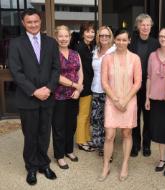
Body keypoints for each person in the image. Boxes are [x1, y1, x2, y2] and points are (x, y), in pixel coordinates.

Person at [8, 8, 59, 185]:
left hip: (47, 97)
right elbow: (16, 71)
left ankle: (44, 164)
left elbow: (56, 68)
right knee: (30, 134)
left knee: (45, 133)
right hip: (28, 98)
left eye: (36, 21)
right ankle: (31, 167)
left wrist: (49, 89)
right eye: (29, 22)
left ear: (41, 21)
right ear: (23, 23)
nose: (33, 25)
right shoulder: (16, 44)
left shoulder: (51, 42)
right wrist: (34, 91)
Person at [98, 29, 142, 182]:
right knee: (109, 135)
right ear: (114, 40)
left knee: (126, 134)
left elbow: (138, 83)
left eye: (124, 40)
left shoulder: (135, 59)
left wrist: (125, 100)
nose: (121, 43)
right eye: (118, 39)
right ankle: (105, 166)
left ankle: (124, 164)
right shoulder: (107, 59)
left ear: (129, 40)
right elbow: (104, 82)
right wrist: (116, 100)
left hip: (129, 101)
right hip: (112, 100)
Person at [145, 27, 165, 176]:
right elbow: (149, 77)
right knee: (159, 131)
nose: (163, 39)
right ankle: (162, 159)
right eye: (161, 36)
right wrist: (147, 97)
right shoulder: (152, 55)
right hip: (156, 99)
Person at [52, 25, 83, 169]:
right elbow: (56, 76)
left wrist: (78, 89)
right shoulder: (52, 55)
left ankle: (69, 150)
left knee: (71, 125)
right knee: (59, 126)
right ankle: (59, 155)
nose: (64, 39)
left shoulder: (75, 54)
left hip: (74, 96)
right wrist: (75, 85)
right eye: (61, 36)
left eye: (66, 36)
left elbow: (80, 72)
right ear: (56, 38)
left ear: (70, 38)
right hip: (58, 96)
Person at [129, 13, 159, 157]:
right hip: (133, 85)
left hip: (150, 85)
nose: (145, 27)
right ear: (138, 26)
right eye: (143, 24)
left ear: (150, 26)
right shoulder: (131, 42)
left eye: (148, 25)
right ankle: (135, 144)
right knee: (134, 116)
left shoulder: (155, 43)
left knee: (149, 117)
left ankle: (146, 145)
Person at [91, 26, 116, 156]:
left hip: (109, 91)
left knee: (108, 122)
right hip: (95, 90)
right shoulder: (95, 51)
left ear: (110, 37)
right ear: (98, 37)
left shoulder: (114, 51)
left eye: (107, 35)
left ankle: (108, 150)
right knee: (96, 120)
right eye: (102, 35)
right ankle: (100, 146)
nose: (104, 38)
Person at [75, 22, 95, 152]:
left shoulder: (89, 47)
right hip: (84, 86)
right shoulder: (80, 48)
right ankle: (81, 141)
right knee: (83, 115)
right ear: (83, 33)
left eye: (92, 31)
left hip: (90, 85)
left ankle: (87, 137)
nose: (90, 34)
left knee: (88, 115)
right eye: (87, 31)